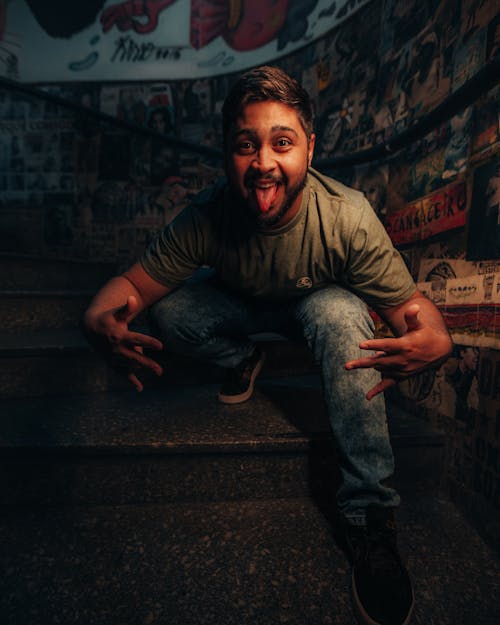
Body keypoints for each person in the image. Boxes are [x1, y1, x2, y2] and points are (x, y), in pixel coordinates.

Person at [83, 66, 452, 625]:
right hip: (238, 304)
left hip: (314, 304)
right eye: (245, 145)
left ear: (309, 147)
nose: (262, 163)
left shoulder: (347, 216)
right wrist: (95, 315)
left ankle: (369, 518)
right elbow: (132, 287)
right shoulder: (208, 215)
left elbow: (412, 312)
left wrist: (437, 338)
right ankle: (245, 358)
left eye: (282, 142)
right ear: (228, 153)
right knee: (170, 310)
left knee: (343, 316)